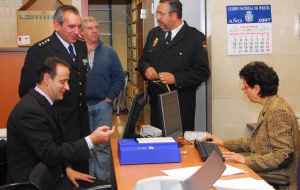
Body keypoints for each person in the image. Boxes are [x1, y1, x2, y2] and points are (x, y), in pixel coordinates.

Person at [7, 57, 114, 190]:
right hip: (35, 184)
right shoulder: (30, 111)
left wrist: (66, 168)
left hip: (51, 174)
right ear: (47, 79)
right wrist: (90, 140)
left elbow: (53, 146)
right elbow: (51, 153)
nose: (67, 87)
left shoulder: (43, 102)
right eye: (63, 82)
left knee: (105, 186)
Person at [203, 61, 299, 190]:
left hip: (275, 178)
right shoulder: (271, 105)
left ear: (257, 89)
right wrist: (223, 142)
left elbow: (283, 156)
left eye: (245, 87)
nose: (244, 91)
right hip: (267, 172)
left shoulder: (277, 111)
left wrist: (246, 160)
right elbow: (256, 142)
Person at [18, 5, 90, 173]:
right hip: (58, 124)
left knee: (82, 171)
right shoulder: (40, 51)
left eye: (79, 27)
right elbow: (26, 91)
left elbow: (81, 83)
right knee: (62, 172)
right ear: (57, 25)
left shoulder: (80, 46)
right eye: (71, 26)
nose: (76, 31)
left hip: (81, 122)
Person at [138, 0, 210, 132]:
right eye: (157, 14)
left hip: (180, 104)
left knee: (179, 145)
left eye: (161, 14)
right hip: (156, 103)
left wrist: (176, 78)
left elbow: (202, 72)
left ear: (175, 15)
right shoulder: (154, 34)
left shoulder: (195, 37)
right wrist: (147, 69)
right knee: (158, 144)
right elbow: (143, 61)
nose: (158, 18)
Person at [80, 16, 125, 181]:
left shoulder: (109, 52)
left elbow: (119, 78)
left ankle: (103, 182)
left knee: (103, 145)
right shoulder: (76, 51)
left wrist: (109, 97)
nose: (94, 31)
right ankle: (89, 180)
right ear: (82, 32)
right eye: (90, 28)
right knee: (86, 144)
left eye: (96, 27)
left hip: (102, 106)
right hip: (82, 107)